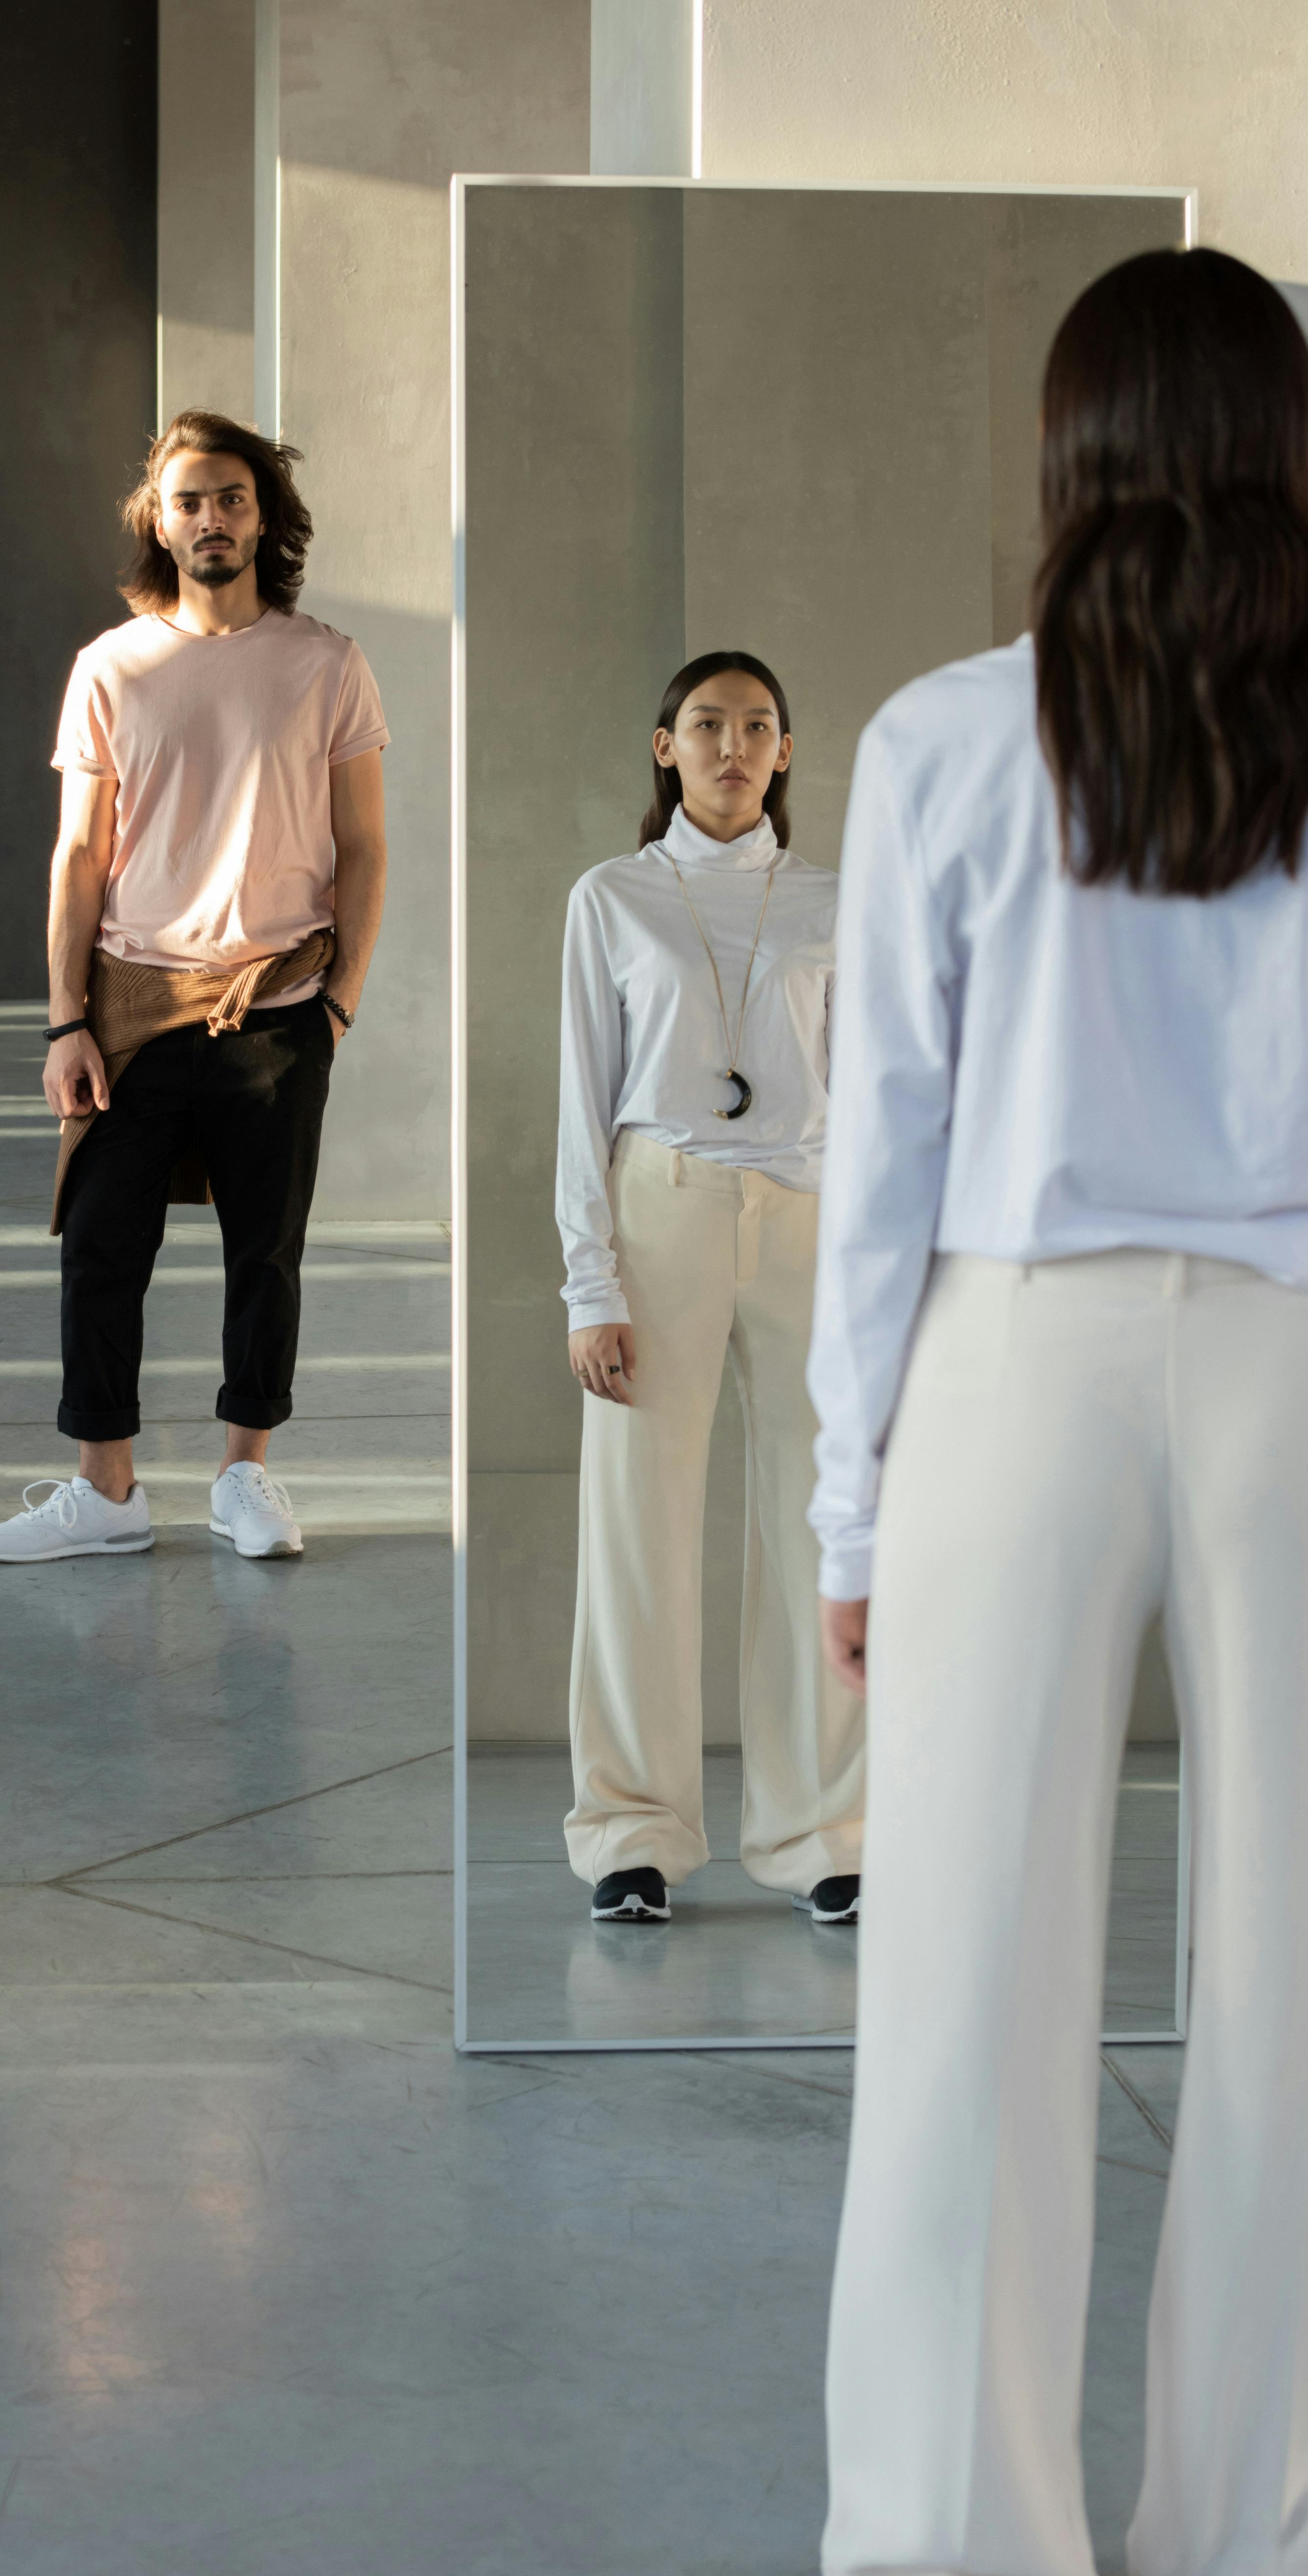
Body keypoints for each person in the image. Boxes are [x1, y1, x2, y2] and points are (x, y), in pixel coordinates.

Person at [811, 247, 1308, 2576]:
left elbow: (878, 1165)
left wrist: (846, 1506)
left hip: (1010, 1355)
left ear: (1070, 447)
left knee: (966, 1996)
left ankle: (952, 2537)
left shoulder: (936, 737)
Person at [0, 410, 388, 1566]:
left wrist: (338, 997)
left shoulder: (327, 663)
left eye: (232, 498)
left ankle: (244, 1479)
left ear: (265, 517)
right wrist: (65, 1020)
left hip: (278, 1006)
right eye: (190, 500)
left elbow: (365, 845)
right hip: (133, 1007)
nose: (211, 517)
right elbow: (80, 857)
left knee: (268, 1250)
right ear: (160, 520)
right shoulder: (109, 667)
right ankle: (105, 1492)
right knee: (100, 1248)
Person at [556, 651, 865, 1928]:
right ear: (662, 746)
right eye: (704, 724)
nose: (729, 744)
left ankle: (820, 1835)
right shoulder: (612, 897)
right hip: (660, 1210)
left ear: (784, 752)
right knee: (636, 1532)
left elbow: (877, 1100)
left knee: (818, 1528)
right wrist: (589, 1281)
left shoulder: (836, 902)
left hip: (810, 1222)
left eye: (754, 726)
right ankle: (630, 1832)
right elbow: (582, 1094)